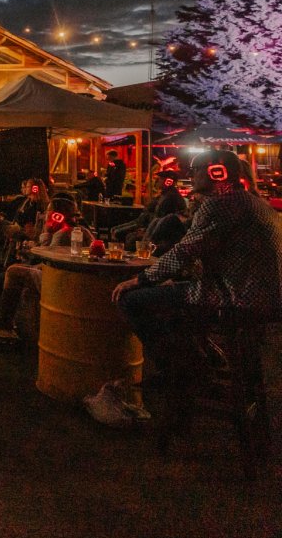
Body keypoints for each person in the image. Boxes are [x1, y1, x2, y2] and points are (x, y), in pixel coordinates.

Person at [102, 150, 282, 418]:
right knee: (173, 301)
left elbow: (184, 251)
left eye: (195, 169)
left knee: (131, 300)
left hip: (234, 300)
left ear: (217, 172)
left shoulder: (220, 204)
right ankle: (198, 364)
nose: (190, 174)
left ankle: (184, 372)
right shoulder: (255, 203)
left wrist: (141, 278)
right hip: (265, 300)